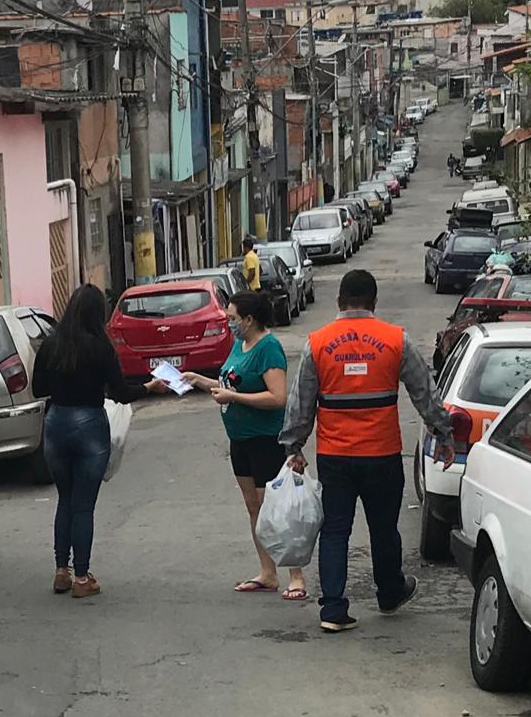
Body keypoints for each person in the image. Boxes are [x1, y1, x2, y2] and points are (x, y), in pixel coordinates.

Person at [280, 270, 455, 633]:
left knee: (335, 530)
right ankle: (390, 592)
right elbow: (424, 391)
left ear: (339, 301)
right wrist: (442, 432)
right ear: (374, 302)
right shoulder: (395, 340)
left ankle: (332, 609)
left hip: (335, 455)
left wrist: (293, 445)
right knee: (384, 528)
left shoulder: (318, 343)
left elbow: (301, 401)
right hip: (382, 453)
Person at [31, 284, 164, 598]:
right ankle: (82, 577)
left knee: (65, 499)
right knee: (83, 506)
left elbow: (38, 389)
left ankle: (61, 571)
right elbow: (121, 393)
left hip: (56, 423)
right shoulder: (101, 347)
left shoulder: (51, 345)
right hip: (89, 424)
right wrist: (150, 387)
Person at [185, 291, 307, 599]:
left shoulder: (269, 348)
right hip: (240, 440)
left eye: (233, 319)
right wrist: (200, 380)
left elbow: (277, 397)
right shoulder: (240, 344)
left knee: (276, 509)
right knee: (254, 507)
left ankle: (295, 576)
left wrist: (234, 398)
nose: (229, 324)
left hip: (265, 439)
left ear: (249, 320)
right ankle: (267, 572)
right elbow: (230, 384)